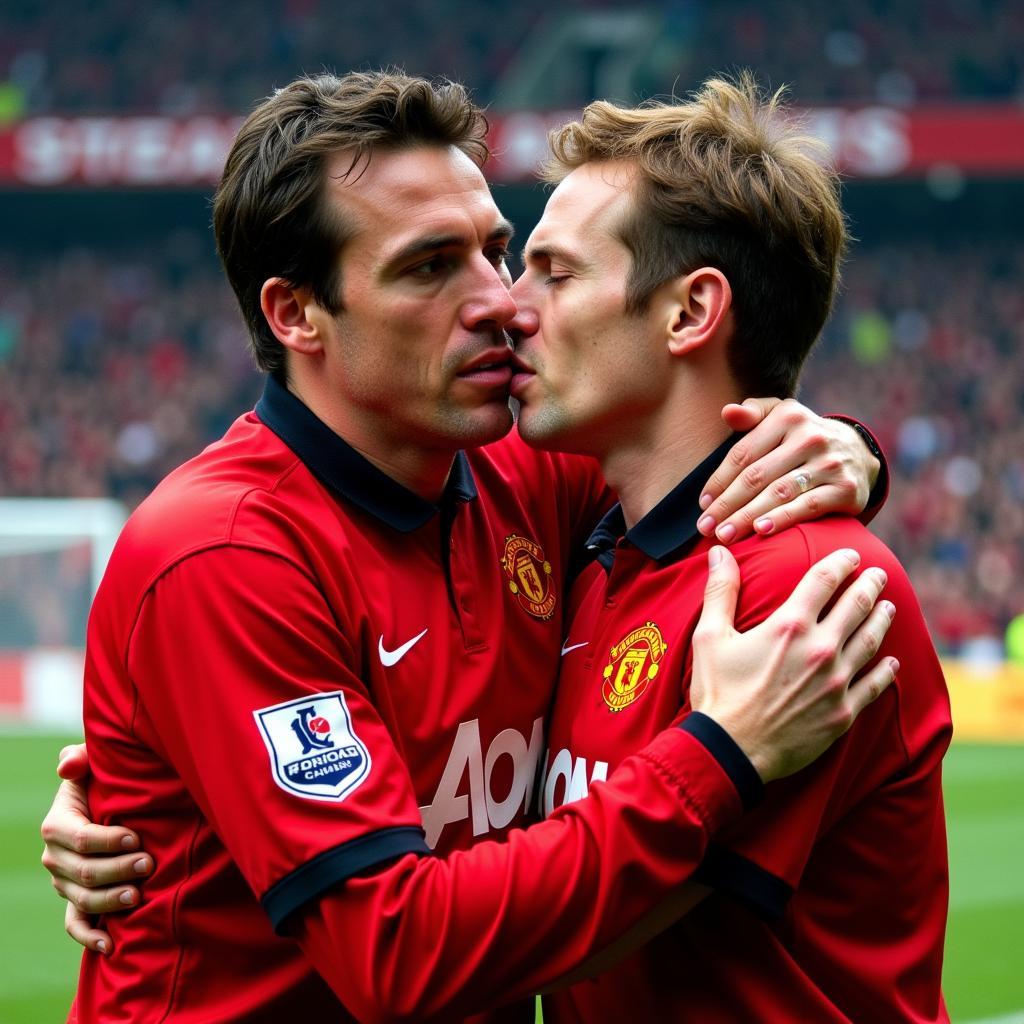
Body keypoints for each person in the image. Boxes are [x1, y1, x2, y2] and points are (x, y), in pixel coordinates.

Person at [40, 72, 892, 1023]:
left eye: (498, 250)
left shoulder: (530, 479)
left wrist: (839, 445)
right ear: (296, 314)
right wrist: (720, 757)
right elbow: (396, 957)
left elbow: (679, 441)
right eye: (429, 266)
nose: (500, 301)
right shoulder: (222, 554)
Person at [505, 75, 951, 1020]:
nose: (513, 306)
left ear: (688, 312)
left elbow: (563, 934)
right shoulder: (600, 550)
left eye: (556, 272)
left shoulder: (799, 586)